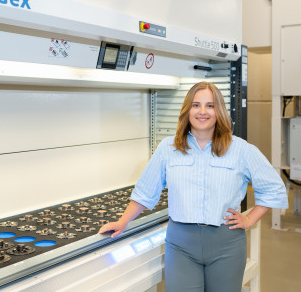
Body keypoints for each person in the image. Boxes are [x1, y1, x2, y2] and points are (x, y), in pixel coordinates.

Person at [98, 81, 288, 292]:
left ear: (219, 111)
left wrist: (250, 219)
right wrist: (123, 221)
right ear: (187, 110)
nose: (202, 112)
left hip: (226, 244)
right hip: (181, 245)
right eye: (196, 105)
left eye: (210, 105)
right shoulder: (168, 149)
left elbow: (274, 188)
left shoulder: (240, 149)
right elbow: (145, 191)